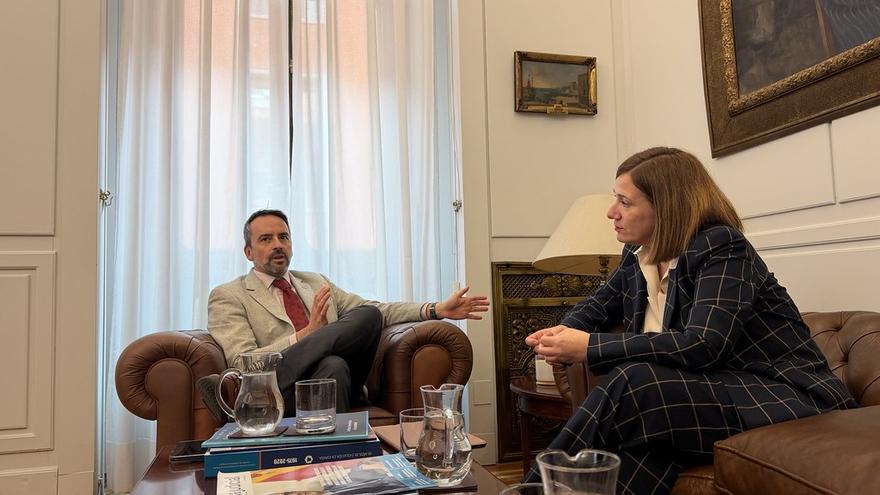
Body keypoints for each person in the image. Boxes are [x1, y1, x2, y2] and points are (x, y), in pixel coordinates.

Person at [524, 147, 856, 494]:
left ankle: (531, 490)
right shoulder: (639, 253)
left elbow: (704, 344)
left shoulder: (723, 247)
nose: (612, 213)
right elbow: (597, 307)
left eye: (624, 202)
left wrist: (590, 346)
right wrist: (561, 333)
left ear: (665, 206)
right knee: (639, 457)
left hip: (780, 394)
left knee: (635, 380)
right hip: (705, 396)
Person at [200, 209, 488, 420]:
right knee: (333, 364)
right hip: (281, 396)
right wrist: (304, 335)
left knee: (369, 315)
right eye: (266, 239)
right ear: (248, 251)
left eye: (283, 237)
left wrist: (435, 309)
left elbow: (378, 309)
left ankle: (241, 393)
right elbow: (241, 360)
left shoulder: (315, 282)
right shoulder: (229, 295)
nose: (277, 244)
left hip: (339, 384)